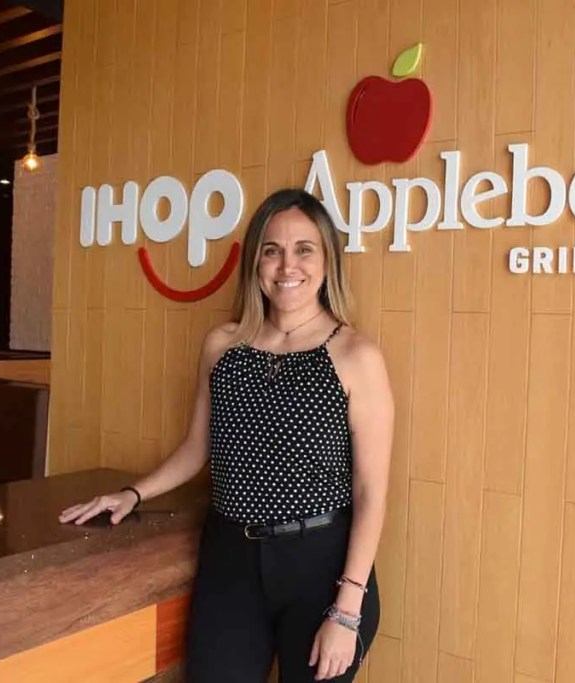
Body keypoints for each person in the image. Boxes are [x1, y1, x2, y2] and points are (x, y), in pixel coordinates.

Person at [59, 188, 394, 682]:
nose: (287, 266)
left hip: (321, 566)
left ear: (327, 261)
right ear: (255, 261)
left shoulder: (355, 356)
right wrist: (132, 493)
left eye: (304, 249)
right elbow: (198, 448)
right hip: (231, 560)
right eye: (272, 250)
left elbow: (371, 491)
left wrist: (347, 610)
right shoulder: (223, 346)